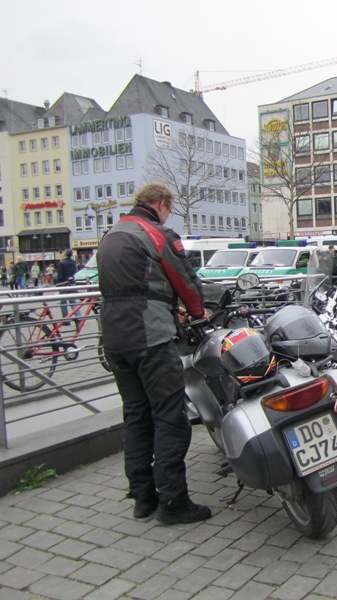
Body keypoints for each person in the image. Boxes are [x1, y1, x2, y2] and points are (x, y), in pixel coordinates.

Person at [98, 182, 211, 525]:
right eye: (169, 209)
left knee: (136, 414)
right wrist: (195, 311)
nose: (168, 215)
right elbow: (185, 280)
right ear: (161, 203)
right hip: (149, 336)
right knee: (170, 416)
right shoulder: (156, 232)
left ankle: (143, 499)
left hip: (114, 337)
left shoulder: (111, 234)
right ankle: (174, 502)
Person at [57, 250, 79, 319]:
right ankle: (79, 317)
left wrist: (58, 284)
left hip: (64, 284)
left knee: (63, 303)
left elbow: (60, 276)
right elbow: (75, 272)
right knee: (73, 303)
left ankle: (66, 319)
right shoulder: (73, 262)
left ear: (65, 254)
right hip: (72, 283)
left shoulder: (61, 263)